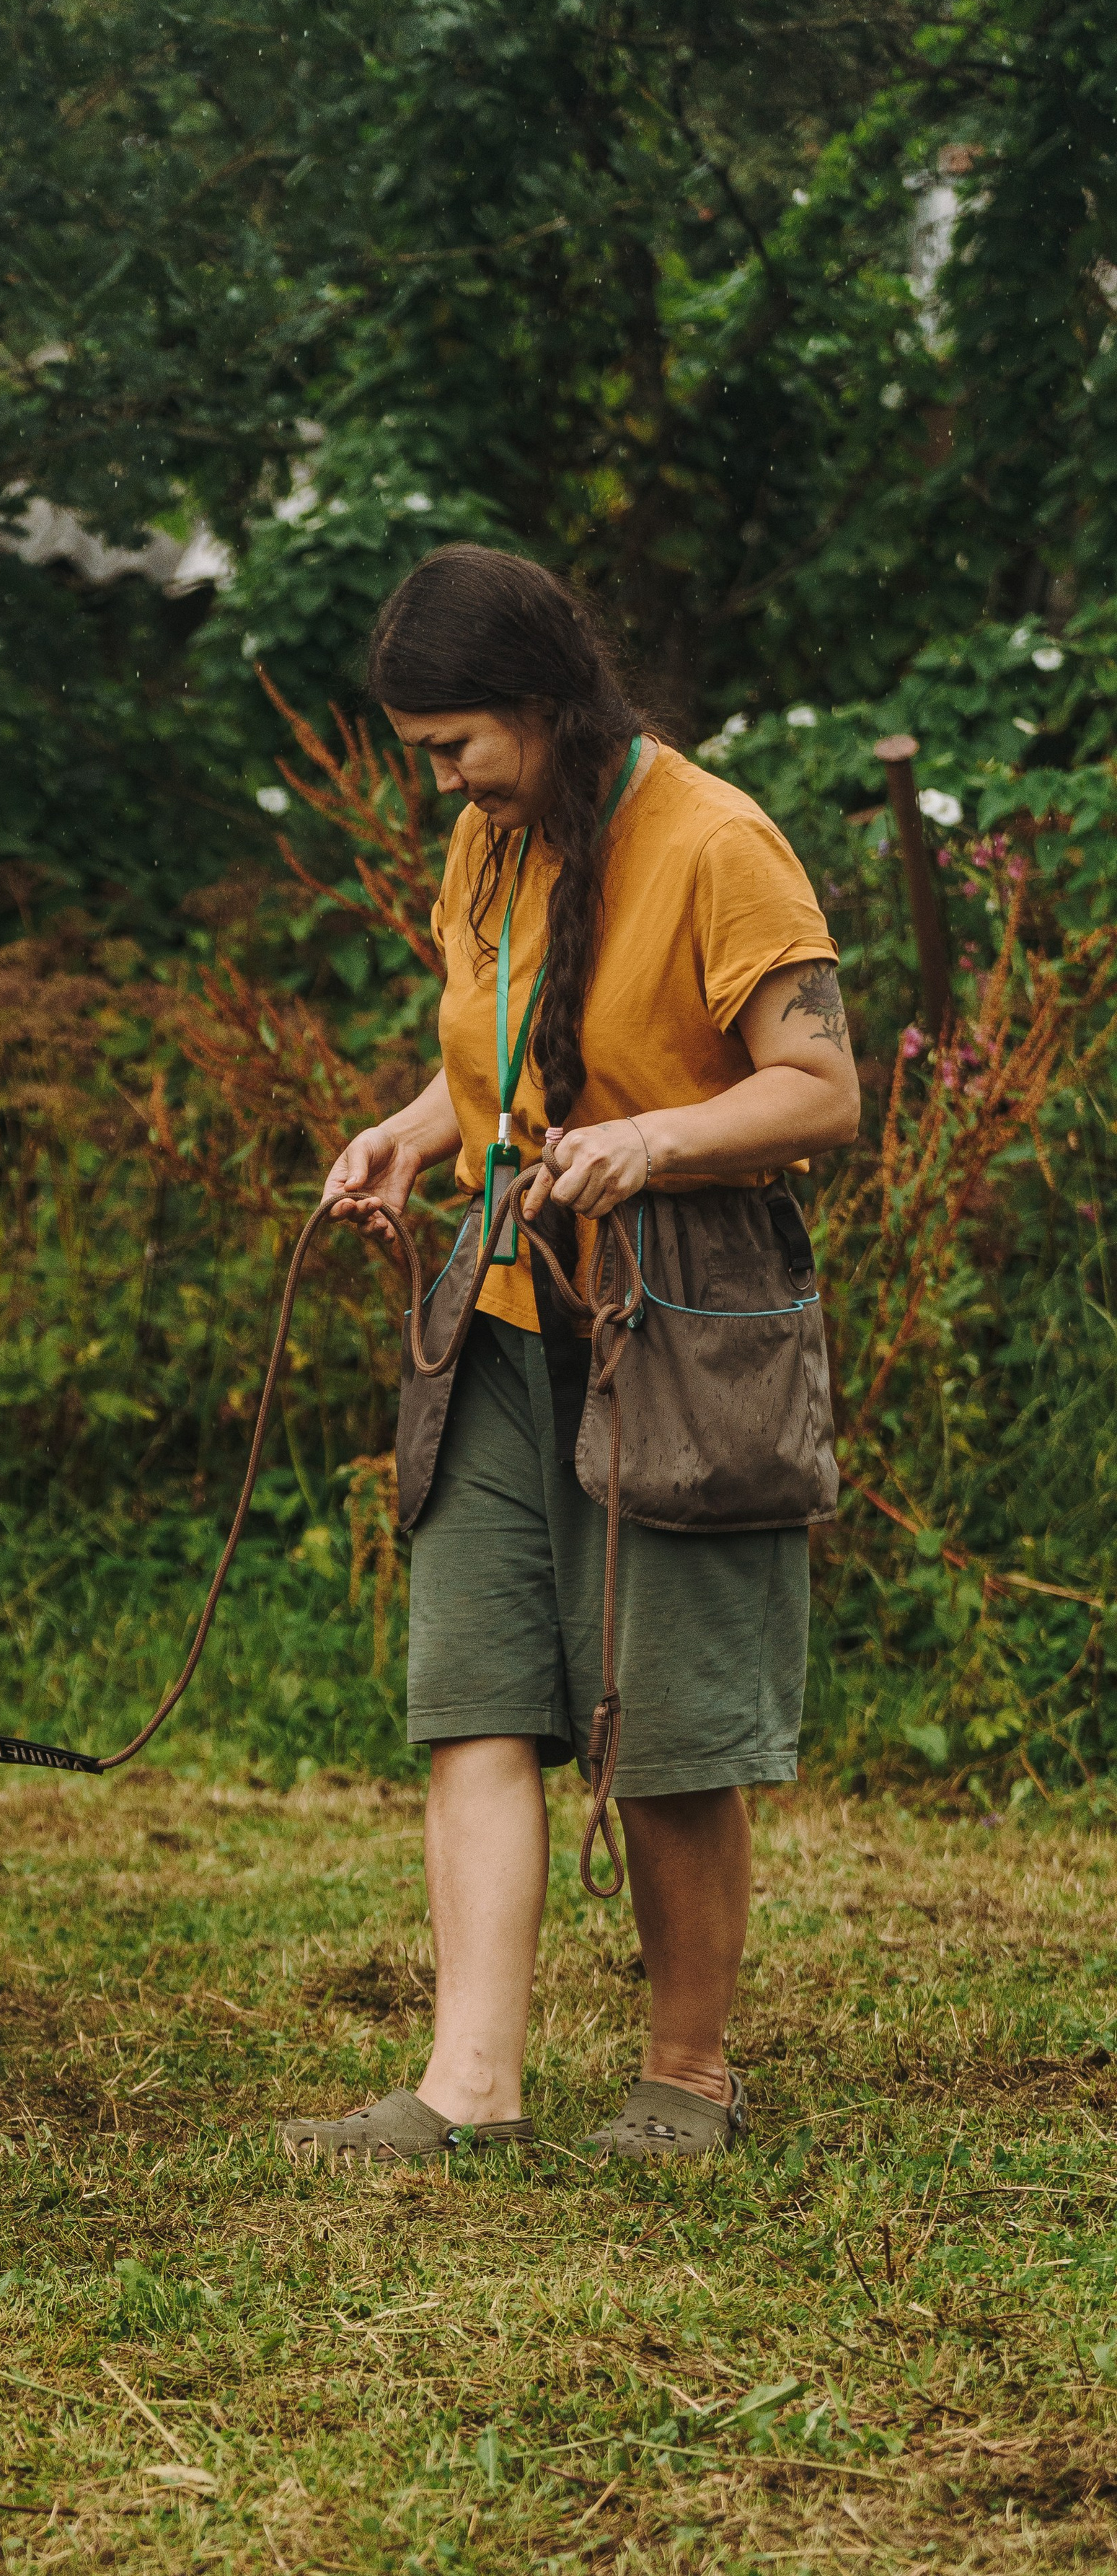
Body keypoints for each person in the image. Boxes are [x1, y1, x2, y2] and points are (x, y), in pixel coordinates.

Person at [280, 546, 859, 2165]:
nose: (441, 780)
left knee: (662, 1723)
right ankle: (468, 2088)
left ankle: (686, 2075)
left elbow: (820, 1092)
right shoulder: (490, 841)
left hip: (679, 1326)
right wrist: (405, 1135)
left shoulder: (717, 841)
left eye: (456, 743)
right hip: (502, 1317)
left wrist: (655, 1143)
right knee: (470, 1691)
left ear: (543, 705)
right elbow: (483, 1044)